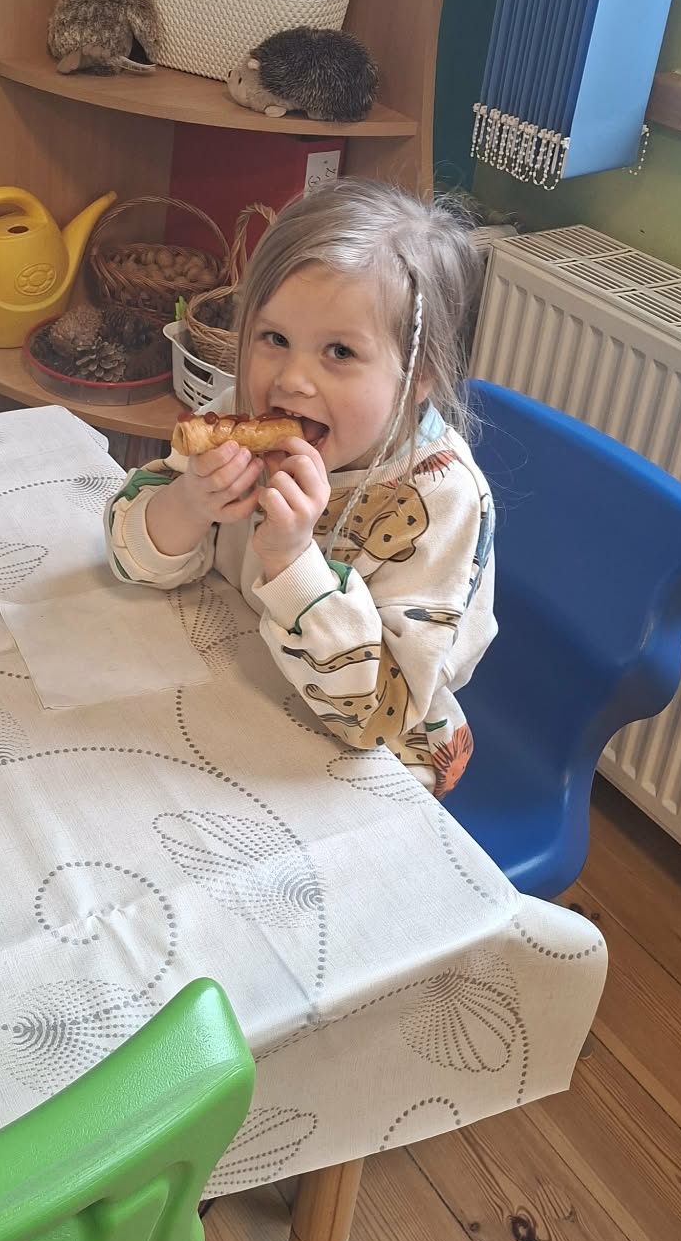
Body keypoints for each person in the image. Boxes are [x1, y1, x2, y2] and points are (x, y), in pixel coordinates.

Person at [105, 180, 495, 794]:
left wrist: (293, 563)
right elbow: (129, 557)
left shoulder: (440, 499)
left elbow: (375, 718)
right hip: (229, 682)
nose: (291, 379)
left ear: (417, 377)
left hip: (363, 768)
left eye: (339, 351)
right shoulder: (235, 415)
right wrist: (187, 505)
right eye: (275, 339)